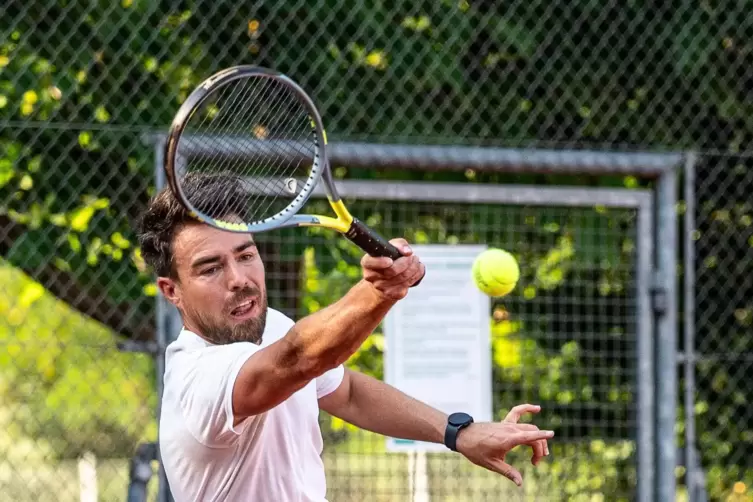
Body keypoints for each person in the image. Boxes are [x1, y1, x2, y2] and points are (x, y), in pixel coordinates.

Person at [137, 174, 554, 502]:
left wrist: (458, 433)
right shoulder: (195, 378)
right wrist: (379, 291)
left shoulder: (274, 326)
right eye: (211, 268)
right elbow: (298, 360)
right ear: (171, 290)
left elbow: (347, 390)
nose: (239, 280)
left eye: (246, 255)